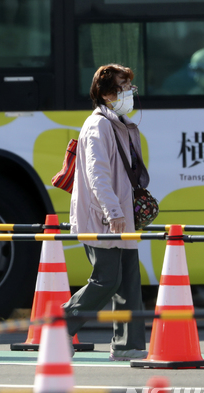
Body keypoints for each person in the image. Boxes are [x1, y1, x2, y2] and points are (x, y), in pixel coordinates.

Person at [63, 64, 149, 361]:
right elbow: (97, 173)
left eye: (130, 87)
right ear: (107, 93)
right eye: (124, 88)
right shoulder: (97, 125)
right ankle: (60, 326)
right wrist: (113, 211)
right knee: (107, 279)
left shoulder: (117, 123)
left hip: (119, 214)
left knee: (128, 281)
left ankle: (129, 345)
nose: (130, 93)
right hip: (103, 216)